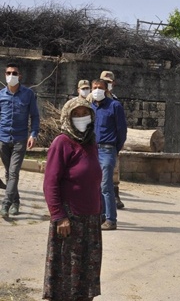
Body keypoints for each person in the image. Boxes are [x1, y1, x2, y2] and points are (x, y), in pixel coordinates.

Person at [43, 97, 102, 300]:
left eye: (84, 113)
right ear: (67, 117)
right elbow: (50, 182)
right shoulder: (62, 143)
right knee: (66, 277)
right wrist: (59, 216)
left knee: (86, 277)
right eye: (75, 114)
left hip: (91, 220)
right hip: (69, 220)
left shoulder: (91, 142)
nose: (80, 118)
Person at [0, 63, 40, 217]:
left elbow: (35, 116)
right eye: (8, 73)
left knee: (14, 172)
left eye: (14, 73)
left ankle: (6, 204)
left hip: (20, 139)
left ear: (20, 76)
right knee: (8, 174)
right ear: (5, 75)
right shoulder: (1, 94)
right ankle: (16, 202)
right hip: (3, 138)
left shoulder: (28, 94)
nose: (11, 76)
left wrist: (33, 134)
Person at [90, 78, 127, 230]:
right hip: (93, 150)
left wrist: (115, 149)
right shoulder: (90, 107)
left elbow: (122, 131)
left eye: (100, 87)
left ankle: (111, 219)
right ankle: (102, 216)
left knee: (106, 186)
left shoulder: (115, 106)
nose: (97, 90)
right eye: (94, 87)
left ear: (106, 90)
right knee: (96, 186)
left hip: (107, 150)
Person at [99, 71, 125, 209]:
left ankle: (115, 196)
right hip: (97, 143)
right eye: (105, 82)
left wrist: (118, 145)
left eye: (109, 82)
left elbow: (121, 127)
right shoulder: (93, 98)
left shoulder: (115, 101)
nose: (107, 84)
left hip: (111, 143)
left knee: (113, 171)